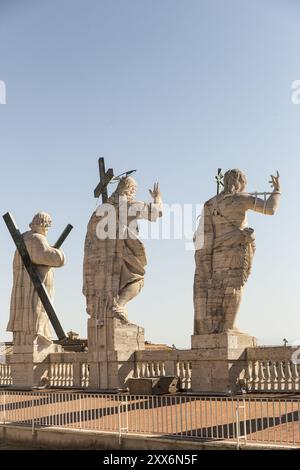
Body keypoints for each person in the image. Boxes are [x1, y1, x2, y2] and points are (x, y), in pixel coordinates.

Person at [193, 169, 281, 335]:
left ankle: (216, 327)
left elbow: (202, 234)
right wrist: (277, 191)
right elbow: (270, 209)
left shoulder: (210, 204)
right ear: (241, 183)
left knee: (217, 288)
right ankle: (229, 325)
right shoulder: (241, 198)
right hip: (235, 249)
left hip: (215, 253)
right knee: (235, 286)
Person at [83, 177, 162, 324]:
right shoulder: (127, 204)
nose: (134, 192)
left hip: (99, 259)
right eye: (134, 190)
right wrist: (157, 198)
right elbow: (156, 213)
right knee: (137, 279)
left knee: (108, 288)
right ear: (130, 189)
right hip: (119, 252)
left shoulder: (98, 212)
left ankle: (109, 310)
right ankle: (119, 306)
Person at [7, 212, 66, 345]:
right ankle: (39, 338)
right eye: (47, 226)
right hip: (35, 288)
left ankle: (29, 339)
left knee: (32, 314)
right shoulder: (35, 239)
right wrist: (61, 255)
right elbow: (47, 256)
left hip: (26, 287)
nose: (47, 230)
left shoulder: (22, 240)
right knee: (37, 312)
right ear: (43, 225)